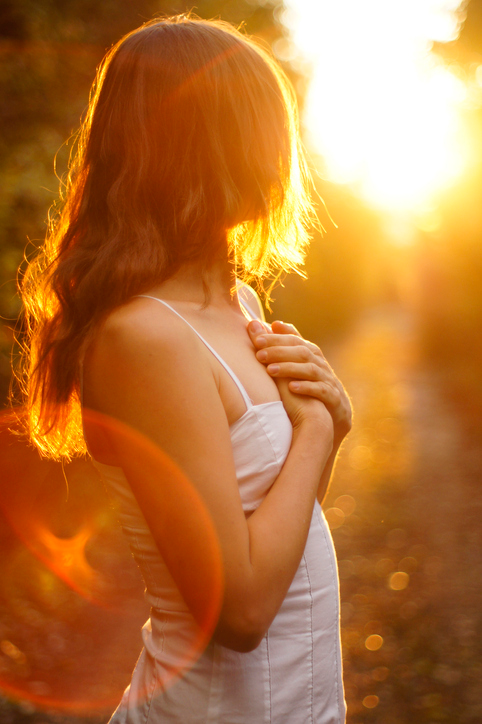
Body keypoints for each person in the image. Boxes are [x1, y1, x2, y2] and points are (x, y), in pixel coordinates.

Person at [18, 15, 351, 723]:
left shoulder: (243, 303)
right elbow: (241, 611)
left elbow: (280, 518)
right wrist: (319, 431)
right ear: (194, 146)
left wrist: (334, 426)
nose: (277, 155)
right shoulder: (143, 339)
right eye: (254, 127)